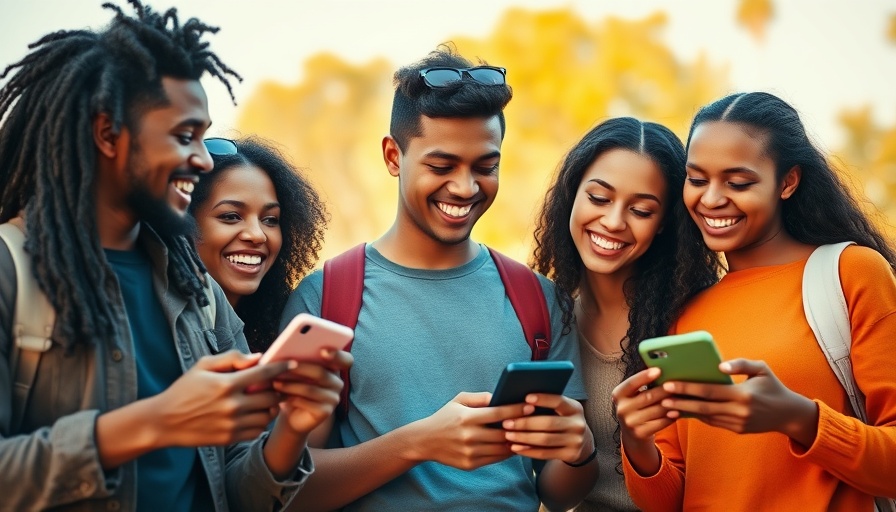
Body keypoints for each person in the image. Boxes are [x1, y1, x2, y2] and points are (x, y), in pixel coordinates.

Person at [0, 2, 350, 511]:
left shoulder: (196, 289)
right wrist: (155, 421)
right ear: (107, 134)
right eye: (185, 136)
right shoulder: (10, 271)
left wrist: (291, 429)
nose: (204, 160)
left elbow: (234, 491)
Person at [279, 46, 598, 511]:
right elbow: (292, 490)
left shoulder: (537, 299)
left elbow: (555, 492)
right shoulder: (326, 300)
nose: (466, 188)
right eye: (441, 166)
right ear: (393, 155)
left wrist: (578, 451)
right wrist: (419, 443)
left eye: (486, 167)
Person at [614, 92, 896, 511]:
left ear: (788, 182)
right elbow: (669, 501)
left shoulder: (850, 271)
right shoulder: (685, 311)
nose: (710, 199)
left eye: (738, 182)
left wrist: (798, 418)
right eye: (696, 179)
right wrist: (637, 443)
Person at [532, 117, 720, 511]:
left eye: (641, 210)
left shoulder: (693, 325)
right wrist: (574, 451)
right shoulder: (543, 321)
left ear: (664, 224)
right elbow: (551, 495)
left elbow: (714, 484)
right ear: (572, 194)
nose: (614, 222)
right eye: (599, 198)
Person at [190, 136, 328, 353]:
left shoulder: (276, 337)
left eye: (270, 220)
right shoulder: (152, 328)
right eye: (231, 216)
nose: (257, 235)